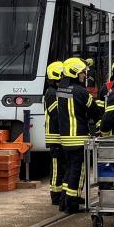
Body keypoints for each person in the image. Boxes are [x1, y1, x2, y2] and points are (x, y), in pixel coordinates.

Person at [55, 57, 100, 214]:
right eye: (82, 73)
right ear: (74, 73)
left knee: (69, 169)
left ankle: (64, 200)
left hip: (65, 138)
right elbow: (94, 110)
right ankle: (72, 204)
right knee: (78, 171)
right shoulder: (81, 92)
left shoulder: (61, 89)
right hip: (79, 138)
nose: (83, 75)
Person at [44, 61, 65, 206]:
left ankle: (60, 193)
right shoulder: (51, 93)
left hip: (59, 136)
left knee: (61, 165)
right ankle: (55, 195)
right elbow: (56, 114)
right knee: (57, 166)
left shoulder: (57, 90)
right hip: (54, 136)